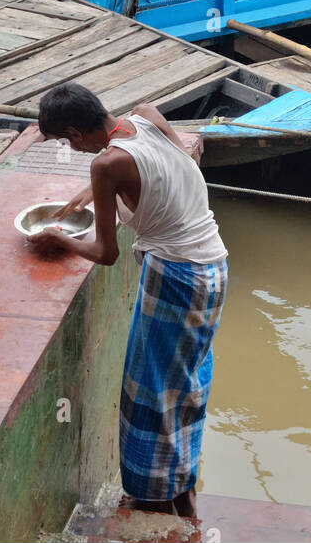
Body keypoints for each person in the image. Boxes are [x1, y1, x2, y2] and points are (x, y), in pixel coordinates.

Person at [33, 82, 227, 519]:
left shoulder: (107, 165)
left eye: (67, 142)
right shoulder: (146, 114)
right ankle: (183, 489)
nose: (73, 150)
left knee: (150, 389)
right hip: (214, 266)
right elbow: (183, 161)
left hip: (175, 276)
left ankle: (151, 496)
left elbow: (107, 254)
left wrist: (59, 239)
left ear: (75, 132)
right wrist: (94, 193)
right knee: (187, 382)